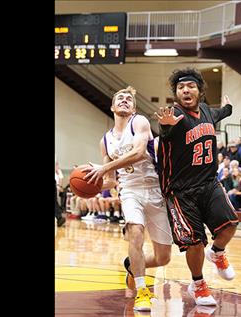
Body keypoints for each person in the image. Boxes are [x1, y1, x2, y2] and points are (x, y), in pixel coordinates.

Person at [82, 86, 172, 312]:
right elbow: (111, 180)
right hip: (130, 190)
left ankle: (132, 265)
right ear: (112, 107)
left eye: (128, 99)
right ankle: (142, 290)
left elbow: (139, 152)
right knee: (135, 232)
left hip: (155, 189)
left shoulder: (139, 122)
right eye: (119, 98)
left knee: (163, 258)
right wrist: (88, 185)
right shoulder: (105, 140)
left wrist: (103, 168)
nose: (124, 100)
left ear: (133, 108)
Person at [155, 68, 239, 307]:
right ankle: (198, 284)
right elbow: (167, 131)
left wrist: (229, 108)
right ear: (176, 94)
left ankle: (218, 252)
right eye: (181, 88)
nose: (185, 90)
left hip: (209, 183)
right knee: (194, 242)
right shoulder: (175, 115)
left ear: (199, 91)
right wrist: (164, 127)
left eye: (190, 86)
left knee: (230, 226)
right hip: (180, 191)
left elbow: (221, 112)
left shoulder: (206, 112)